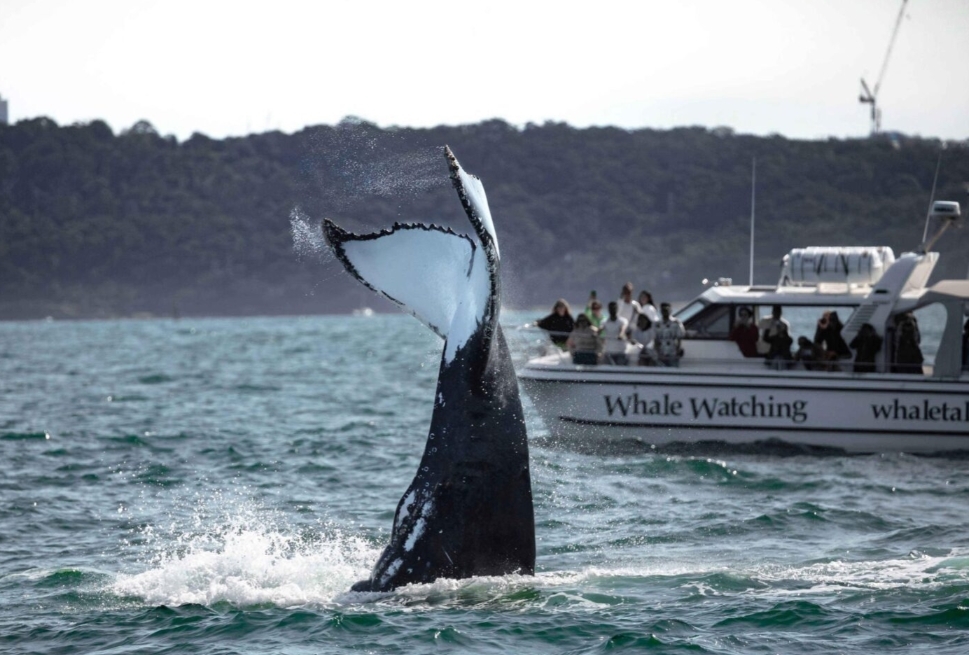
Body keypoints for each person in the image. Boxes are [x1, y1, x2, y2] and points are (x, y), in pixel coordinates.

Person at [654, 302, 686, 367]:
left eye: (667, 310)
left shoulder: (676, 323)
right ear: (661, 311)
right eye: (663, 310)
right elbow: (655, 339)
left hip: (673, 353)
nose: (665, 312)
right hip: (661, 353)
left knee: (673, 373)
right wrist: (657, 352)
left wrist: (678, 351)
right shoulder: (657, 324)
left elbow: (679, 338)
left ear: (670, 310)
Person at [600, 301, 629, 365]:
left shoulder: (623, 321)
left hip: (620, 352)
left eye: (614, 308)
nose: (612, 310)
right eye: (611, 309)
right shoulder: (604, 322)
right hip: (608, 351)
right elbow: (600, 329)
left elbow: (623, 328)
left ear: (617, 309)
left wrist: (621, 335)